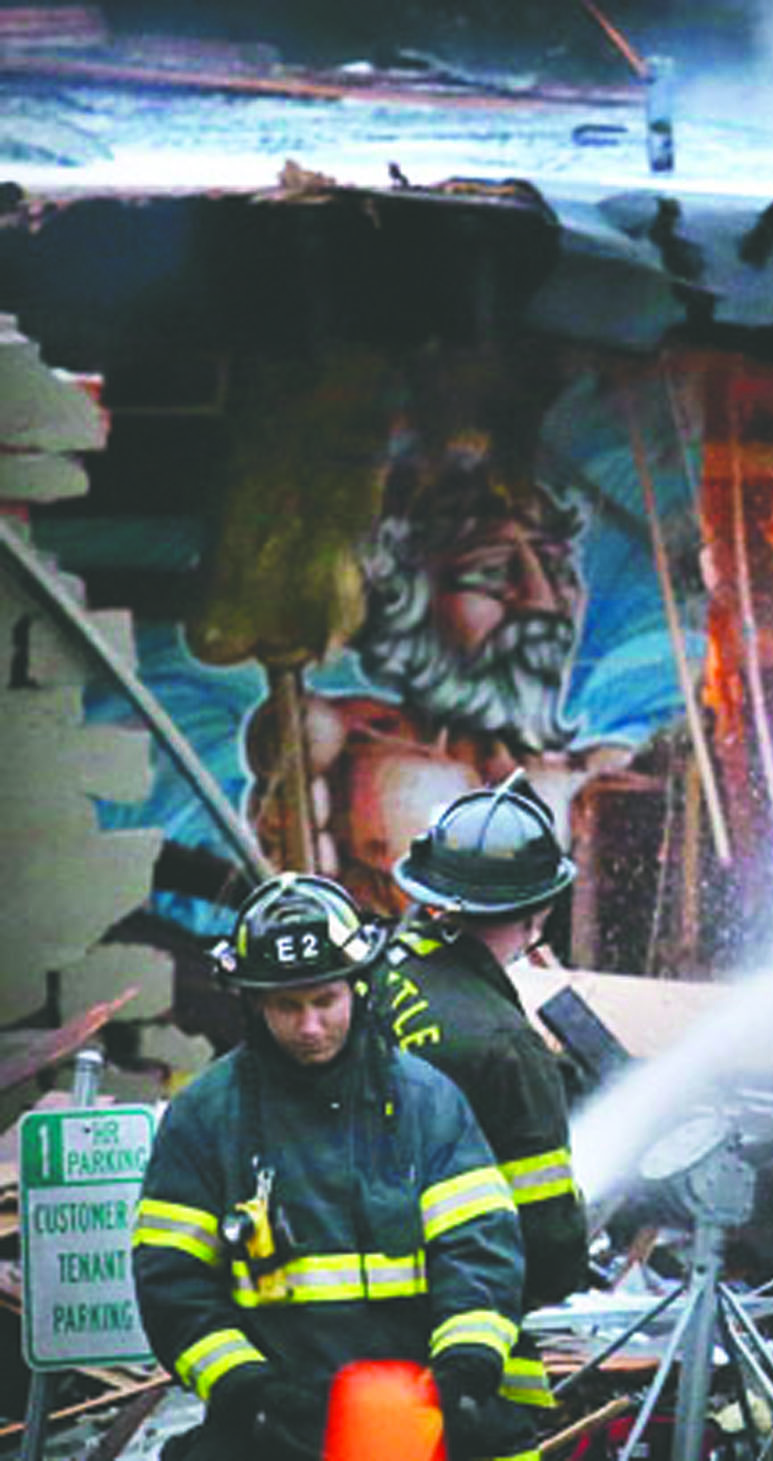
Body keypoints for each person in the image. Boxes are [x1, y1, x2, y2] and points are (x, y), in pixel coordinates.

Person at [131, 873, 536, 1461]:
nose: (310, 1026)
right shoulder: (206, 1117)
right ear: (253, 1001)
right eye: (286, 1006)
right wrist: (249, 1391)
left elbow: (480, 1252)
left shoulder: (427, 1103)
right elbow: (172, 1282)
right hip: (277, 1423)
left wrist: (462, 1371)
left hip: (420, 1410)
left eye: (325, 1000)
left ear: (359, 989)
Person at [243, 428, 631, 914]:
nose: (540, 601)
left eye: (554, 571)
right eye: (490, 574)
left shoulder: (587, 775)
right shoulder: (349, 747)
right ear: (411, 597)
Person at [376, 772, 589, 1416]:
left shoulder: (368, 976)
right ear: (539, 912)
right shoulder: (505, 1047)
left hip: (338, 1324)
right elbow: (547, 1244)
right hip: (458, 1340)